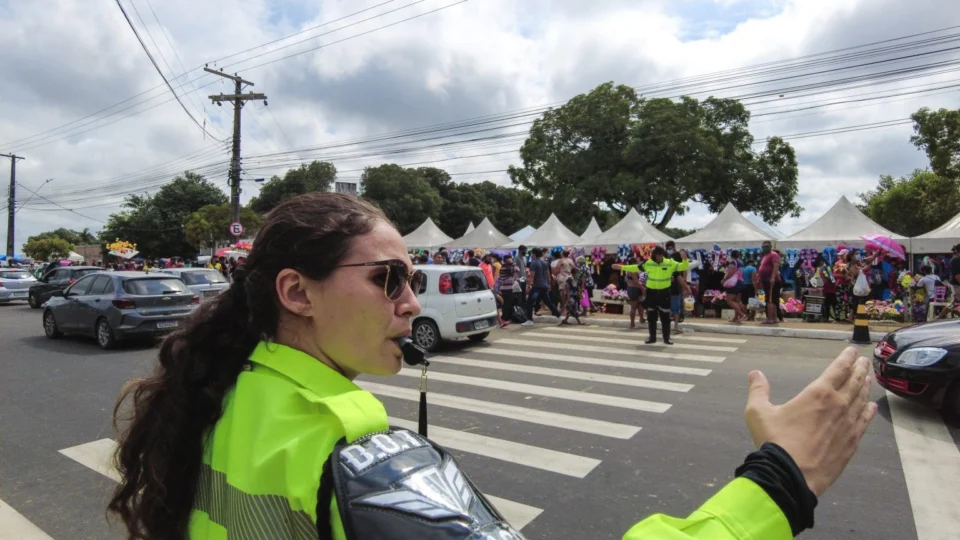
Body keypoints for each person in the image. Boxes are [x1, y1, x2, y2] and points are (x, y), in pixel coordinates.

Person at [107, 191, 879, 540]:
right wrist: (777, 484)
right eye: (390, 279)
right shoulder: (356, 452)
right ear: (295, 293)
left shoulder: (224, 391)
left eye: (413, 278)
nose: (411, 303)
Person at [615, 246, 688, 345]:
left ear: (663, 255)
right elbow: (635, 267)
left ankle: (667, 338)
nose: (658, 257)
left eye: (660, 255)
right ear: (653, 254)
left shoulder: (669, 262)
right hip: (651, 293)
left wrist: (684, 259)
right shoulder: (648, 263)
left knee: (665, 317)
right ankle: (652, 337)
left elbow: (683, 267)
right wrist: (621, 267)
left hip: (664, 293)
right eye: (657, 255)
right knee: (651, 316)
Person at [525, 247, 561, 321]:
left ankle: (529, 320)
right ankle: (559, 316)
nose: (531, 255)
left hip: (537, 286)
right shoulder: (545, 263)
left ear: (534, 254)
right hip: (544, 285)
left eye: (532, 254)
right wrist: (549, 284)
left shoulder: (533, 263)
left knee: (530, 302)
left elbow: (532, 276)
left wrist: (528, 286)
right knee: (548, 302)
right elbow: (548, 274)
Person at [757, 241, 782, 325]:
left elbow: (776, 266)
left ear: (770, 246)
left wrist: (772, 277)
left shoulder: (773, 255)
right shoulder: (764, 256)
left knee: (770, 300)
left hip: (772, 281)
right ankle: (774, 318)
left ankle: (770, 318)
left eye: (766, 246)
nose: (765, 247)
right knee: (772, 300)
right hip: (766, 281)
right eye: (763, 246)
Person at [936, 243, 960, 320]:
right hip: (956, 284)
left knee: (955, 303)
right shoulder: (956, 259)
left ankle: (939, 317)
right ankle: (939, 317)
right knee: (955, 302)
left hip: (957, 284)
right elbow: (957, 275)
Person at [723, 250, 747, 323]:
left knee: (729, 300)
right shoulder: (741, 262)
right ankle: (736, 318)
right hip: (741, 282)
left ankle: (742, 315)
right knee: (736, 301)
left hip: (734, 283)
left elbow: (731, 272)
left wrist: (724, 280)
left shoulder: (733, 262)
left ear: (731, 256)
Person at [623, 257, 646, 328]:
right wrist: (642, 288)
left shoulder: (628, 270)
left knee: (640, 305)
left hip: (633, 289)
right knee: (634, 307)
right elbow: (636, 281)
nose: (638, 262)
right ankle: (632, 323)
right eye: (637, 261)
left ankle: (641, 318)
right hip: (634, 289)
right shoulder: (632, 270)